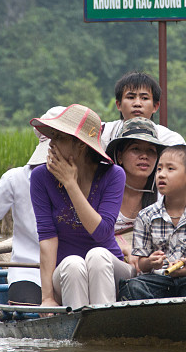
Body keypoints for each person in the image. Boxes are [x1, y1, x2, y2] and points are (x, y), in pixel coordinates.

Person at [29, 104, 134, 310]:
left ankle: (104, 326)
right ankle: (78, 334)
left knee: (96, 256)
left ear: (80, 145)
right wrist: (47, 297)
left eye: (60, 138)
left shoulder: (113, 175)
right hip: (68, 274)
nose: (52, 144)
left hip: (109, 267)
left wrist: (70, 184)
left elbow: (102, 234)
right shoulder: (40, 178)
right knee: (73, 263)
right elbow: (48, 238)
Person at [0, 106, 65, 304]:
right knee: (27, 307)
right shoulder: (17, 178)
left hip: (71, 269)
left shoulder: (88, 179)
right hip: (29, 270)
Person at [118, 145, 186, 300]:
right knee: (132, 286)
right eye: (159, 169)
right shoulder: (145, 216)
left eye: (170, 169)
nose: (161, 175)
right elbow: (141, 263)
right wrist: (150, 262)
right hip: (160, 280)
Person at [105, 117, 167, 270]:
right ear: (119, 156)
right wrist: (122, 247)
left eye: (150, 151)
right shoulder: (102, 191)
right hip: (108, 267)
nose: (144, 156)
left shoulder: (165, 196)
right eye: (136, 149)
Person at [100, 71, 185, 148]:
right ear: (119, 105)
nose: (137, 104)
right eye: (130, 97)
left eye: (144, 98)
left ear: (155, 106)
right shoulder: (102, 133)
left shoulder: (171, 141)